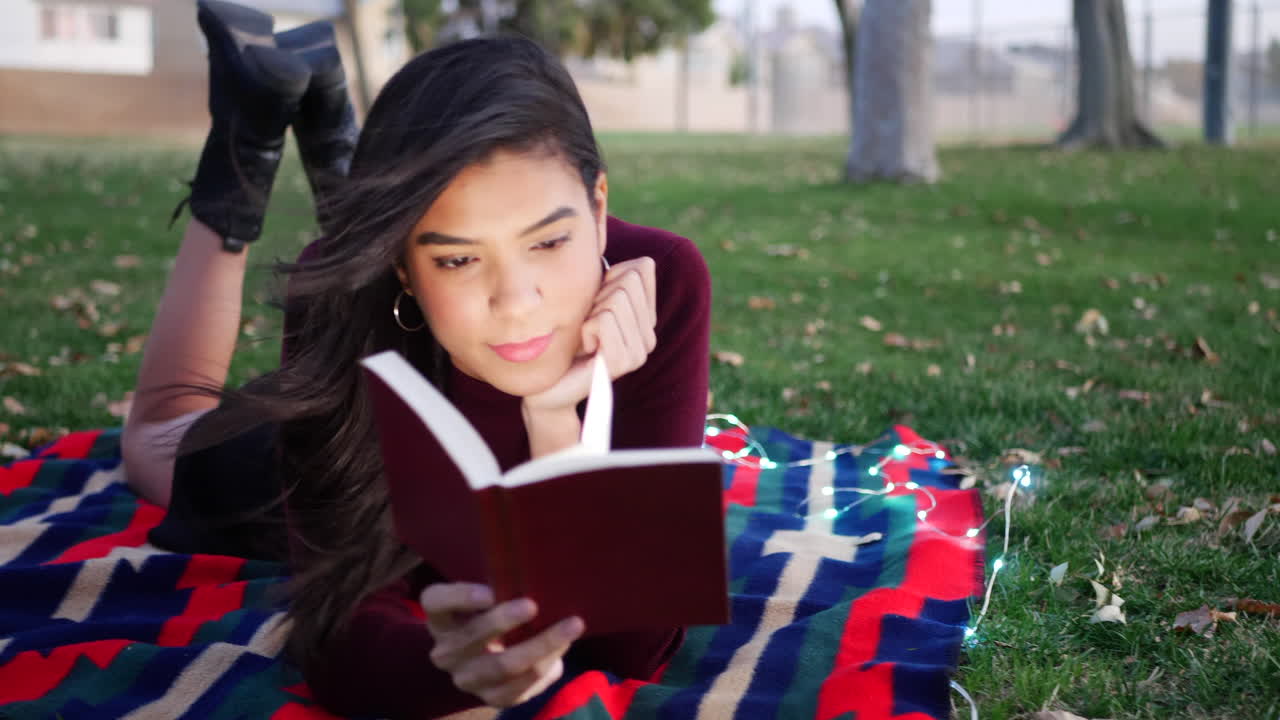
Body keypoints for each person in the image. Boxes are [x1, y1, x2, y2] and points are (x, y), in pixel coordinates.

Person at [119, 1, 711, 718]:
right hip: (337, 427)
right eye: (458, 259)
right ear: (405, 266)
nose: (516, 303)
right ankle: (244, 148)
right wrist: (450, 672)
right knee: (153, 439)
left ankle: (341, 149)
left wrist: (559, 427)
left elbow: (636, 648)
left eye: (550, 242)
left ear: (598, 205)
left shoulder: (663, 284)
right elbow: (338, 631)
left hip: (394, 306)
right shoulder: (341, 305)